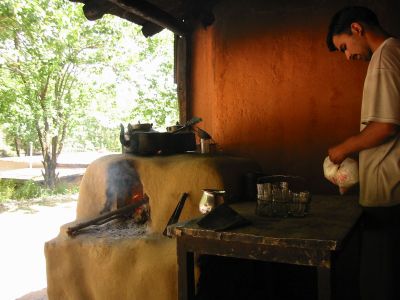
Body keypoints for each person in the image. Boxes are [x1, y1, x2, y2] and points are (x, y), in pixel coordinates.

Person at [326, 6, 400, 300]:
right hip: (388, 192)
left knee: (381, 285)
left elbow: (385, 127)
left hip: (390, 195)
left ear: (356, 29)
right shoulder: (391, 54)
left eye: (343, 46)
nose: (347, 56)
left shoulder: (386, 56)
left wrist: (342, 149)